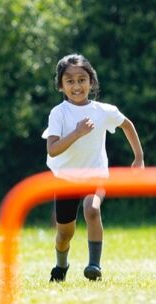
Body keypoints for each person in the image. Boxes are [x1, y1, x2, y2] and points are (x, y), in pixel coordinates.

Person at [43, 54, 144, 282]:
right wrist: (77, 133)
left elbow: (127, 125)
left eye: (82, 79)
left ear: (91, 82)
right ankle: (61, 265)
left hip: (95, 174)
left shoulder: (103, 110)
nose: (76, 86)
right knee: (64, 235)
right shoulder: (58, 113)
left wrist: (138, 157)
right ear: (61, 86)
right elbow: (53, 149)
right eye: (70, 81)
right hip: (66, 178)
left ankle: (94, 265)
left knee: (92, 209)